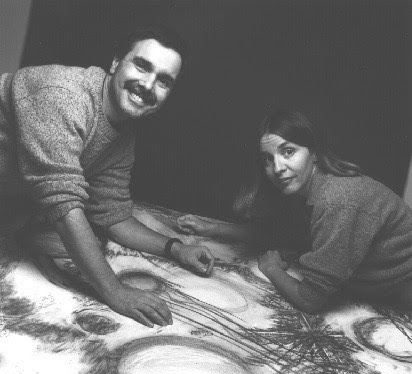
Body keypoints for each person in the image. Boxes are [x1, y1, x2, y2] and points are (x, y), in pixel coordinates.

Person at [0, 25, 214, 328]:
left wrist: (177, 248)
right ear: (115, 63)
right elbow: (63, 206)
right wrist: (115, 292)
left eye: (164, 81)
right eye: (142, 66)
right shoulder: (63, 96)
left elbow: (113, 216)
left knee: (61, 242)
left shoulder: (123, 135)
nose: (148, 84)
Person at [177, 107, 412, 313]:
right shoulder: (306, 189)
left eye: (288, 151)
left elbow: (310, 300)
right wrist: (214, 228)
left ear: (315, 153)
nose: (278, 168)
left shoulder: (335, 200)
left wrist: (271, 269)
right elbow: (280, 236)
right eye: (267, 159)